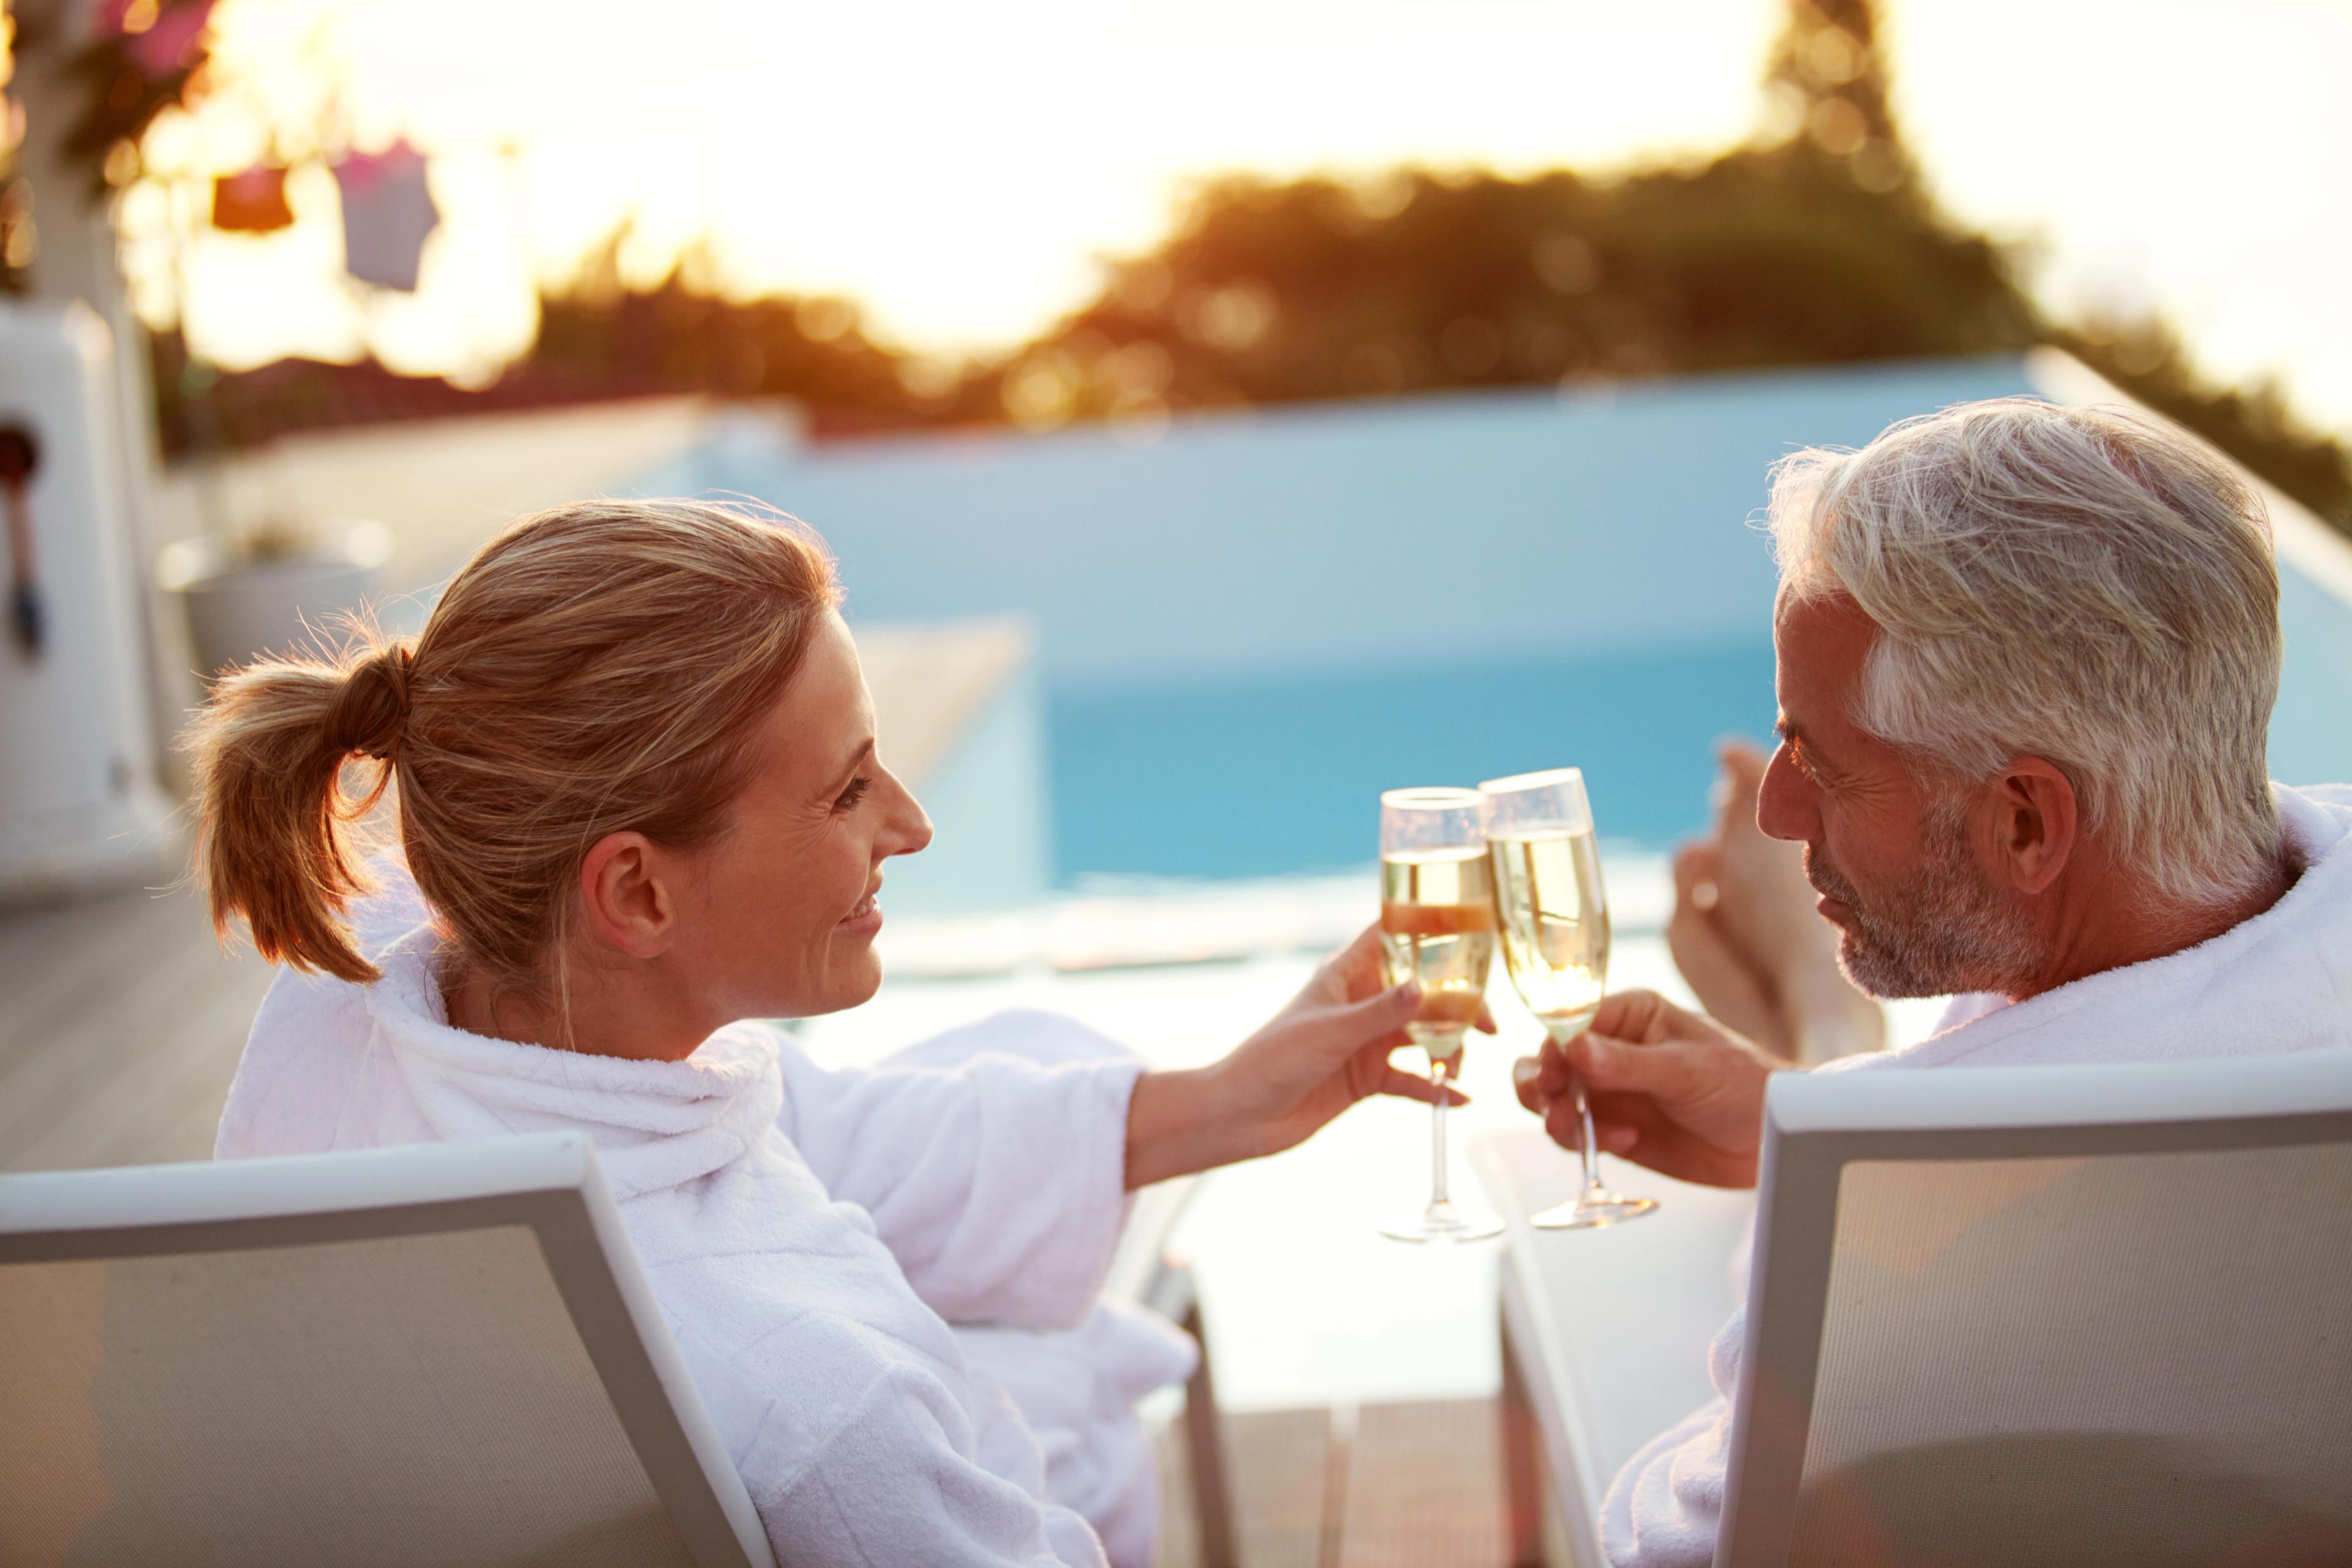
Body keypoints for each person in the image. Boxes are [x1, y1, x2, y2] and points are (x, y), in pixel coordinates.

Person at [194, 500, 1473, 1568]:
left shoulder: (356, 999)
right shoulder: (824, 1405)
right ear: (636, 890)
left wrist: (1227, 1097)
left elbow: (814, 1130)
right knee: (1073, 1371)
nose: (910, 824)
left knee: (1029, 1057)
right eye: (848, 786)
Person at [1512, 397, 2352, 1567]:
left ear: (2024, 819)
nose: (1775, 810)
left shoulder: (1929, 1296)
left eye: (1822, 762)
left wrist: (1858, 1143)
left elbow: (1673, 1544)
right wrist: (1801, 1133)